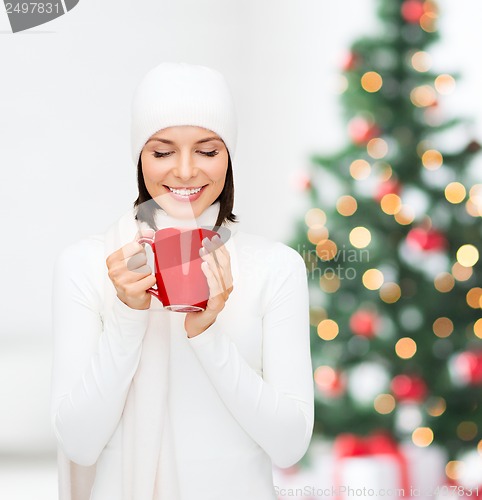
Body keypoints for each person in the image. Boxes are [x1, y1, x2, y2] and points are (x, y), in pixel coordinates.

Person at [50, 62, 314, 500]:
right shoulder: (86, 264)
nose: (187, 171)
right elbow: (78, 444)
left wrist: (207, 334)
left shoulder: (276, 267)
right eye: (162, 151)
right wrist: (128, 315)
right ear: (139, 156)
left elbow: (289, 446)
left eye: (208, 151)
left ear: (229, 157)